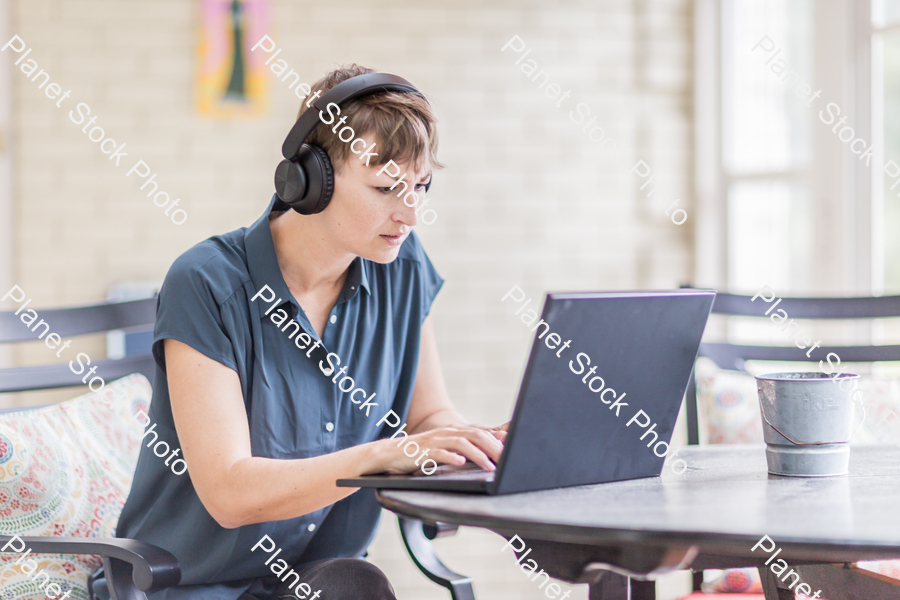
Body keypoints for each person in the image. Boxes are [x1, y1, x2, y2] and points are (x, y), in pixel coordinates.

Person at [114, 64, 507, 600]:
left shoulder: (404, 268)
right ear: (311, 179)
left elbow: (428, 416)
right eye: (387, 187)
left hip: (322, 585)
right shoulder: (206, 283)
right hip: (191, 587)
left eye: (420, 186)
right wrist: (380, 455)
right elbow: (229, 493)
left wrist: (473, 445)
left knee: (355, 583)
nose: (411, 212)